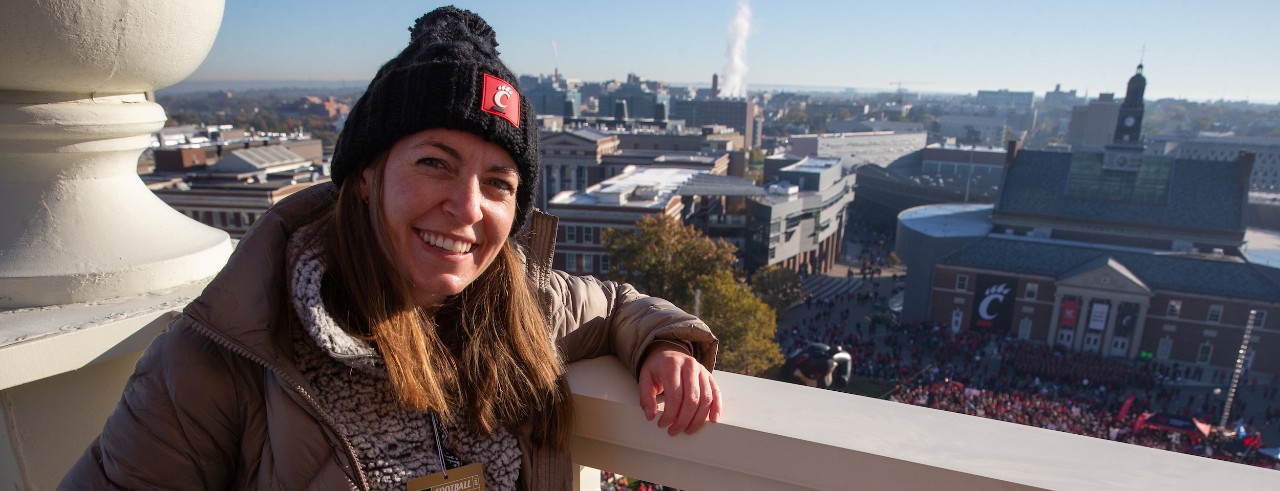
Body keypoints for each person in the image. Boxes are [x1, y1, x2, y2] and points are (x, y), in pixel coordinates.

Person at [61, 7, 720, 490]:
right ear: (368, 175)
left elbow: (615, 303)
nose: (466, 207)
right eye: (435, 163)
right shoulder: (228, 352)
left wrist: (666, 345)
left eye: (498, 183)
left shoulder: (520, 304)